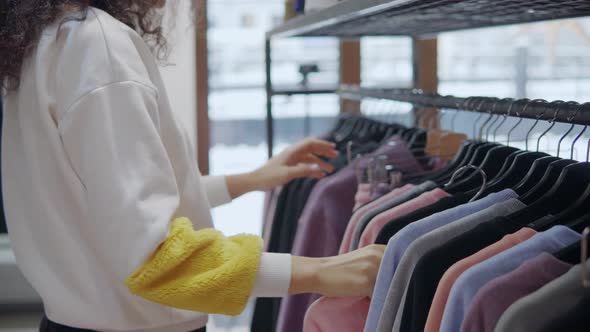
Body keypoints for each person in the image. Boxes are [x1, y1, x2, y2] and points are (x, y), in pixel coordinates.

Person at [0, 1, 385, 331]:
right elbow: (156, 258)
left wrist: (249, 181)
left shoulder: (49, 40)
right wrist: (320, 272)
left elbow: (109, 206)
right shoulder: (95, 46)